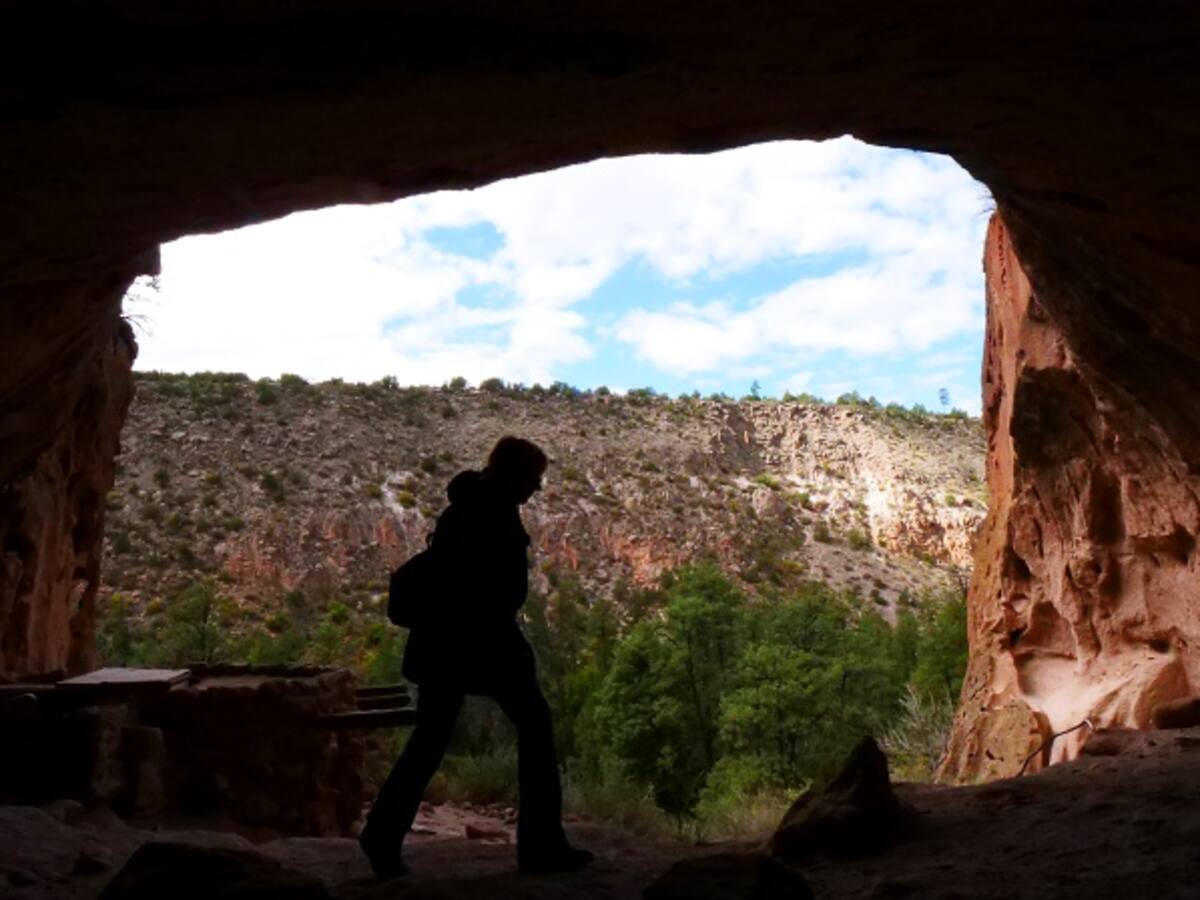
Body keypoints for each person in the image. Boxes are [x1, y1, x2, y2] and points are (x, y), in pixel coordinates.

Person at [360, 436, 593, 878]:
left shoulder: (468, 505)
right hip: (478, 643)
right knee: (535, 724)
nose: (536, 489)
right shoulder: (491, 512)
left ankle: (382, 834)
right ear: (515, 474)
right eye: (533, 479)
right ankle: (541, 847)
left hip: (444, 644)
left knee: (431, 738)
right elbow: (486, 591)